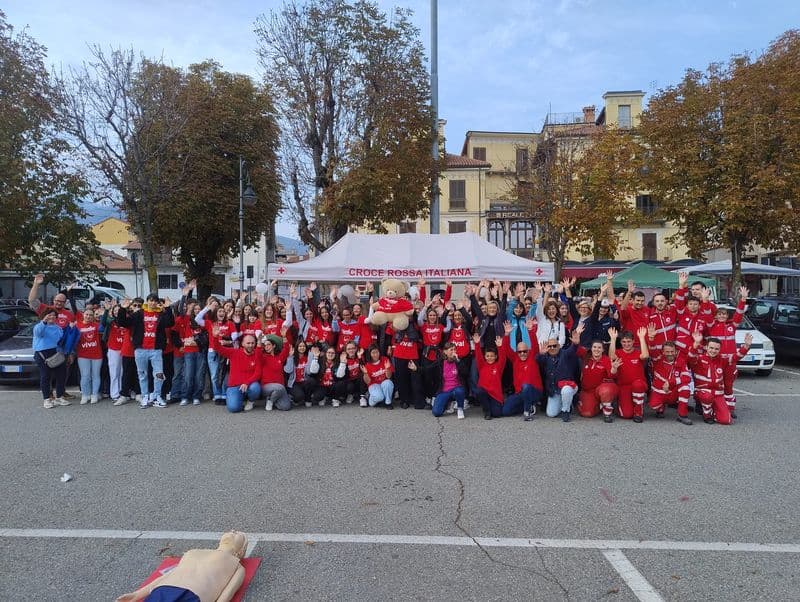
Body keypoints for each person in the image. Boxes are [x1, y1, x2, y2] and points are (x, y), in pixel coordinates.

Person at [115, 531, 247, 602]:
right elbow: (171, 574)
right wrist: (136, 595)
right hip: (163, 590)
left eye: (238, 534)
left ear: (240, 551)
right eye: (232, 531)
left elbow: (228, 592)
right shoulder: (194, 552)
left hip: (192, 595)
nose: (233, 531)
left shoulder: (237, 566)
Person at [116, 294, 175, 409]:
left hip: (156, 350)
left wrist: (168, 308)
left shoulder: (160, 315)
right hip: (140, 350)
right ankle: (145, 397)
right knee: (142, 375)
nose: (152, 303)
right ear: (147, 302)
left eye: (155, 301)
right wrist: (123, 309)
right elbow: (123, 322)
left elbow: (170, 323)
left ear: (157, 303)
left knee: (159, 374)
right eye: (150, 301)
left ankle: (157, 396)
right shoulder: (139, 314)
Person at [688, 331, 752, 425]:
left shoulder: (722, 359)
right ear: (706, 347)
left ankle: (714, 411)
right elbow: (690, 357)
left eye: (716, 349)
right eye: (711, 348)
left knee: (726, 420)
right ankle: (707, 415)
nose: (713, 351)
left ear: (720, 349)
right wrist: (696, 343)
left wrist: (746, 346)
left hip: (718, 394)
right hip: (703, 392)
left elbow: (736, 357)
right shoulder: (699, 359)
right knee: (707, 397)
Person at [703, 286, 748, 418]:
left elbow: (739, 314)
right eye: (719, 314)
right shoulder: (712, 326)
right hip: (716, 362)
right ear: (716, 316)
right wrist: (705, 300)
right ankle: (711, 407)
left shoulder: (731, 326)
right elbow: (706, 314)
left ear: (727, 316)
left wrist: (743, 299)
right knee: (714, 385)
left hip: (730, 362)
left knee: (728, 386)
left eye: (724, 314)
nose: (722, 316)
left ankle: (730, 408)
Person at [537, 324, 583, 422]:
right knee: (551, 414)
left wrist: (575, 344)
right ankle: (567, 402)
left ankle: (566, 410)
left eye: (554, 345)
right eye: (550, 346)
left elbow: (572, 350)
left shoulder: (565, 353)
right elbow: (538, 360)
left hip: (569, 386)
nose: (552, 348)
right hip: (554, 391)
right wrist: (541, 354)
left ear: (559, 346)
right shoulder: (546, 357)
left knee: (566, 391)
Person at [503, 320, 542, 421]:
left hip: (534, 391)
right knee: (505, 411)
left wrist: (530, 330)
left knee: (526, 386)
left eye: (525, 351)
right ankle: (528, 405)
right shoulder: (515, 359)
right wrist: (507, 334)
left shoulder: (532, 357)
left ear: (528, 351)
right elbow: (506, 349)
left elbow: (535, 345)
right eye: (519, 351)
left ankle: (527, 411)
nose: (522, 353)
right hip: (520, 393)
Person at [608, 327, 650, 422]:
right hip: (624, 387)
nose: (626, 344)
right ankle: (620, 403)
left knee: (638, 385)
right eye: (624, 342)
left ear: (633, 341)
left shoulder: (637, 352)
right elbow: (611, 356)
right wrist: (613, 340)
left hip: (638, 385)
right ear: (621, 342)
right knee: (626, 415)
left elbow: (645, 355)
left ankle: (639, 411)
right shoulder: (618, 352)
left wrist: (642, 338)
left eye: (629, 341)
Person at [647, 338, 692, 425]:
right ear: (663, 352)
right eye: (667, 352)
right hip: (660, 391)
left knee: (685, 388)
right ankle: (661, 408)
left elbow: (687, 378)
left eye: (672, 351)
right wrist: (652, 339)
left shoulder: (681, 362)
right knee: (653, 405)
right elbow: (653, 349)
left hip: (673, 392)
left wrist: (671, 382)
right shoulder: (657, 360)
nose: (670, 354)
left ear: (676, 352)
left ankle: (682, 415)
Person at [214, 333, 263, 413]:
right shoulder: (234, 352)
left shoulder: (257, 355)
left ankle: (250, 401)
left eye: (252, 343)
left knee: (255, 388)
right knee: (233, 408)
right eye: (248, 343)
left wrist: (247, 383)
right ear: (242, 344)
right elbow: (218, 348)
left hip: (249, 384)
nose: (250, 345)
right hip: (234, 386)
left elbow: (258, 373)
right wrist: (215, 336)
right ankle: (240, 399)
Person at [32, 308, 70, 409]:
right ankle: (47, 399)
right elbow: (38, 333)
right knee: (45, 377)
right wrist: (44, 322)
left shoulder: (57, 327)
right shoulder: (39, 326)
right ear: (45, 315)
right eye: (49, 315)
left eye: (54, 315)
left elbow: (60, 338)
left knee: (61, 375)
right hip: (42, 354)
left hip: (55, 352)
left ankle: (59, 397)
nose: (52, 317)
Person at [577, 340, 619, 422]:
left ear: (603, 350)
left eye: (599, 347)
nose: (597, 349)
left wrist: (614, 368)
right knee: (587, 413)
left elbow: (612, 375)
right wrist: (577, 341)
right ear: (591, 348)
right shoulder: (586, 356)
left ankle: (607, 412)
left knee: (606, 390)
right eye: (594, 347)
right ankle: (599, 405)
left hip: (602, 389)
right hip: (588, 391)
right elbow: (577, 349)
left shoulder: (606, 360)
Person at [472, 332, 508, 420]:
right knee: (479, 391)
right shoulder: (482, 365)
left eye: (492, 356)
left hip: (495, 395)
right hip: (484, 393)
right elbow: (478, 356)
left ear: (495, 357)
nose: (490, 358)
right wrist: (477, 344)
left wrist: (500, 346)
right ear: (485, 357)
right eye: (487, 356)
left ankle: (492, 407)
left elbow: (503, 358)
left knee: (497, 414)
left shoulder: (498, 366)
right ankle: (486, 410)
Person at [430, 342, 469, 419]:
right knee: (436, 412)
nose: (453, 352)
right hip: (445, 390)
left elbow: (466, 373)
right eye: (451, 350)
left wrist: (458, 360)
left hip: (456, 388)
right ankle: (448, 403)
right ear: (445, 352)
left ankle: (460, 408)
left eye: (455, 349)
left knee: (459, 391)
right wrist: (416, 368)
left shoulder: (458, 361)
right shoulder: (440, 362)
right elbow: (428, 368)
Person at [75, 307, 103, 404]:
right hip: (83, 354)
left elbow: (104, 326)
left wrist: (104, 313)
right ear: (83, 315)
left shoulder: (97, 325)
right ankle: (85, 394)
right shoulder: (78, 325)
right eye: (87, 314)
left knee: (95, 375)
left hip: (96, 354)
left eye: (91, 315)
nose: (88, 316)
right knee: (85, 375)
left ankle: (94, 394)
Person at [259, 333, 291, 411]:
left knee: (286, 407)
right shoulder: (263, 357)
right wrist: (259, 342)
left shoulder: (279, 357)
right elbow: (257, 354)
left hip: (280, 389)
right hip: (266, 387)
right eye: (265, 345)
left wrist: (284, 337)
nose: (266, 347)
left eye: (268, 345)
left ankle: (272, 398)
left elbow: (286, 349)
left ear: (274, 346)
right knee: (279, 387)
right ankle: (270, 400)